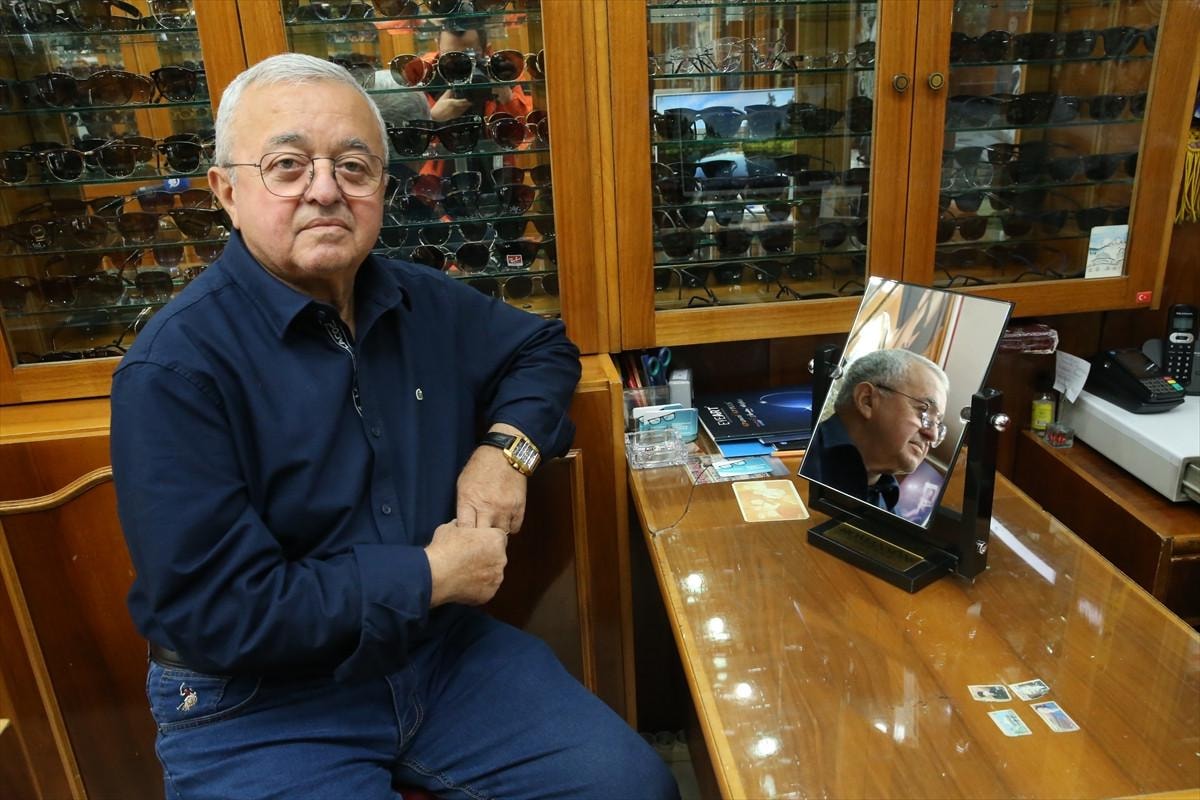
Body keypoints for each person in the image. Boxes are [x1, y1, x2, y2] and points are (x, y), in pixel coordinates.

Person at [110, 53, 678, 800]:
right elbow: (217, 611)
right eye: (287, 166)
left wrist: (506, 452)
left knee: (632, 787)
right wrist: (430, 575)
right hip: (259, 700)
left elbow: (542, 350)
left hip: (433, 654)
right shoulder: (174, 369)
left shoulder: (417, 298)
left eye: (353, 166)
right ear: (227, 192)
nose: (325, 190)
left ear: (382, 186)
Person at [801, 348, 949, 512]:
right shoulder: (801, 456)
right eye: (923, 411)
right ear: (867, 401)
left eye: (937, 424)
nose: (932, 435)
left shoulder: (891, 507)